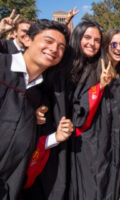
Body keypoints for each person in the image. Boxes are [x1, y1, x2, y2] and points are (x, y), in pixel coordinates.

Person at [0, 19, 70, 200]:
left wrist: (56, 137)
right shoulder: (2, 68)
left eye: (61, 46)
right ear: (27, 39)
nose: (55, 49)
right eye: (48, 41)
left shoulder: (38, 96)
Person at [70, 29, 120, 200]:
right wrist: (100, 86)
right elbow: (78, 106)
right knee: (95, 180)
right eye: (114, 44)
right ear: (106, 45)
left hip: (112, 135)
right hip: (93, 138)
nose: (118, 48)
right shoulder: (93, 68)